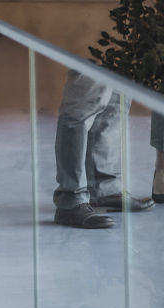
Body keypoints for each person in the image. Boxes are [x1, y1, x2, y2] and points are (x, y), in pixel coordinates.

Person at [53, 68, 154, 228]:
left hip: (120, 44)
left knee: (116, 102)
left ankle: (103, 188)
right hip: (89, 46)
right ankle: (71, 199)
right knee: (83, 101)